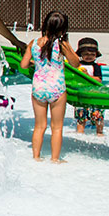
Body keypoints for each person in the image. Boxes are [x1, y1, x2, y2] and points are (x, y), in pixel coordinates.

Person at [20, 11, 80, 163]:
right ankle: (55, 159)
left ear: (45, 25)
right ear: (63, 29)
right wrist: (66, 47)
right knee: (57, 127)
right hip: (57, 89)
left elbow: (23, 65)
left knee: (39, 126)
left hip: (38, 88)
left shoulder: (34, 43)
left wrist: (37, 63)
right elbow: (76, 63)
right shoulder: (62, 44)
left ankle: (36, 157)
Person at [71, 37, 106, 136]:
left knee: (97, 113)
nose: (89, 57)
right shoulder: (78, 66)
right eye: (86, 54)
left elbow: (99, 80)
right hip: (82, 93)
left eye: (92, 55)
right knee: (81, 113)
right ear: (80, 54)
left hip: (94, 93)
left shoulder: (96, 67)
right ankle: (80, 131)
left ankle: (99, 132)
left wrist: (88, 76)